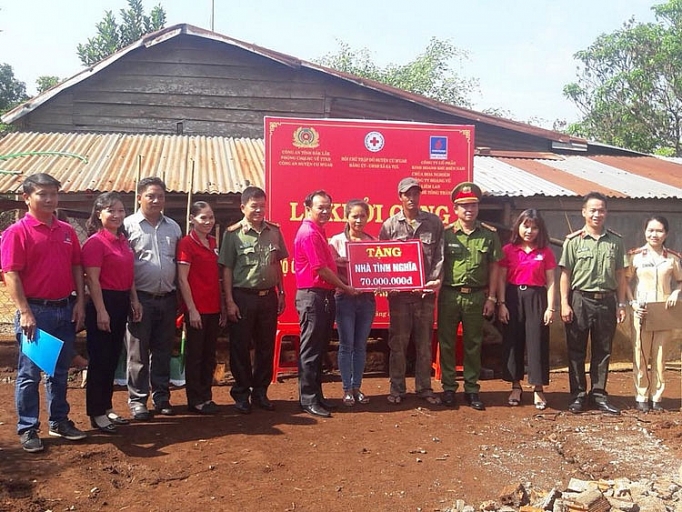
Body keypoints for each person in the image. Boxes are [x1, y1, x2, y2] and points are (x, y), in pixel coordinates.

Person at [0, 172, 87, 452]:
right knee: (30, 374)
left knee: (60, 372)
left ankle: (59, 421)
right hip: (36, 312)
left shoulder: (66, 231)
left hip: (64, 309)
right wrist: (25, 312)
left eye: (53, 194)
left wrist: (80, 303)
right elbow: (10, 274)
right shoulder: (17, 233)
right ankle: (28, 428)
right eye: (42, 194)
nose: (50, 199)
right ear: (26, 198)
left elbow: (76, 267)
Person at [219, 187, 287, 414]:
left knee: (266, 347)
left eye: (262, 206)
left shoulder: (274, 231)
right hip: (242, 297)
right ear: (243, 207)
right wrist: (229, 301)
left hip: (268, 297)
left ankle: (260, 392)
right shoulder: (233, 234)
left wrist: (282, 292)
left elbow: (278, 264)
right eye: (253, 206)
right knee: (240, 347)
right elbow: (227, 269)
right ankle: (241, 393)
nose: (259, 210)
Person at [559, 191, 628, 415]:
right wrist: (564, 303)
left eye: (601, 210)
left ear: (606, 213)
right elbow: (565, 275)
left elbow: (620, 275)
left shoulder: (616, 242)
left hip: (607, 301)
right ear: (584, 212)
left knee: (603, 351)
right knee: (576, 350)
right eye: (593, 210)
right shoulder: (573, 241)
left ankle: (598, 395)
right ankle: (578, 396)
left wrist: (622, 304)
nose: (597, 214)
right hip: (580, 300)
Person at [379, 177, 444, 406]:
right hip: (399, 298)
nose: (412, 198)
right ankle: (397, 388)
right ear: (400, 197)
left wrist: (435, 281)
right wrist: (389, 283)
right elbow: (381, 260)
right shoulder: (389, 226)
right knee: (398, 343)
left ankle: (424, 388)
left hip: (425, 297)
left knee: (424, 343)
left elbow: (439, 257)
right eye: (407, 194)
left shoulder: (434, 223)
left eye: (416, 193)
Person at [437, 182, 501, 410]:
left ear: (478, 207)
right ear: (455, 209)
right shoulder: (445, 234)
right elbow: (439, 265)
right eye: (463, 206)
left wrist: (492, 298)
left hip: (476, 296)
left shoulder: (489, 235)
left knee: (474, 343)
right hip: (449, 295)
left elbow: (495, 267)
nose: (469, 210)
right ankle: (448, 388)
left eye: (473, 205)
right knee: (447, 342)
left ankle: (472, 389)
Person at [82, 192, 142, 433]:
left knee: (112, 358)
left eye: (120, 211)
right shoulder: (96, 243)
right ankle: (96, 412)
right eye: (111, 210)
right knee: (100, 360)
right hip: (103, 301)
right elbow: (92, 281)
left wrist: (134, 299)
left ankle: (106, 407)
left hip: (121, 301)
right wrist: (101, 311)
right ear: (99, 213)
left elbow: (130, 275)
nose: (117, 215)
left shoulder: (123, 240)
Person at [294, 190, 357, 417]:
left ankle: (316, 396)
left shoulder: (318, 231)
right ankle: (308, 399)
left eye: (329, 207)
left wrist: (337, 261)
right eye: (320, 207)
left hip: (323, 296)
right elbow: (319, 269)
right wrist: (346, 287)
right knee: (311, 350)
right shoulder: (309, 233)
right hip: (313, 295)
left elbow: (323, 263)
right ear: (308, 207)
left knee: (319, 349)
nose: (325, 212)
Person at [124, 177, 182, 420]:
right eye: (151, 196)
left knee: (162, 350)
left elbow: (178, 264)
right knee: (137, 352)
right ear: (139, 197)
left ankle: (161, 397)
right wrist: (133, 299)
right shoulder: (127, 226)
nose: (156, 200)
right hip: (140, 300)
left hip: (168, 298)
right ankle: (138, 401)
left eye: (160, 196)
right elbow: (123, 268)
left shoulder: (174, 227)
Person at [497, 209, 556, 410]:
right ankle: (515, 386)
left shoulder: (545, 252)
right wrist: (501, 303)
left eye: (534, 227)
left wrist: (551, 308)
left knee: (536, 342)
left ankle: (538, 388)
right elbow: (501, 279)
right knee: (513, 341)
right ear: (518, 227)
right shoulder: (508, 250)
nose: (529, 231)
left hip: (537, 298)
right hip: (513, 297)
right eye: (526, 226)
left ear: (540, 230)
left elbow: (551, 281)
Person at [625, 215, 682, 412]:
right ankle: (641, 395)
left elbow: (680, 280)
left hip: (664, 312)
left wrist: (676, 292)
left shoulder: (673, 259)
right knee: (640, 354)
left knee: (660, 356)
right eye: (650, 230)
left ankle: (657, 396)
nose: (654, 234)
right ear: (645, 231)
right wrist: (632, 303)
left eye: (659, 231)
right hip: (642, 311)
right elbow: (625, 282)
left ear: (666, 234)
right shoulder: (636, 256)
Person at [178, 201, 226, 415]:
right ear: (192, 219)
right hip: (197, 309)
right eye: (203, 218)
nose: (208, 222)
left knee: (209, 355)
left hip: (214, 307)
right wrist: (192, 309)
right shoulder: (186, 244)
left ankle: (206, 396)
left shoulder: (214, 242)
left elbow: (218, 278)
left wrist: (223, 306)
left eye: (211, 217)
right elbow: (182, 279)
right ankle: (195, 399)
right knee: (195, 355)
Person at [329, 199, 377, 407]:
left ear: (368, 217)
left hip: (366, 299)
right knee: (346, 345)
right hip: (345, 298)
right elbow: (329, 272)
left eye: (362, 216)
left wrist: (382, 281)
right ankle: (346, 389)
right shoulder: (336, 241)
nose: (358, 220)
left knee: (360, 346)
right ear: (346, 217)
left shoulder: (372, 241)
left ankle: (357, 386)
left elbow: (379, 271)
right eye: (354, 216)